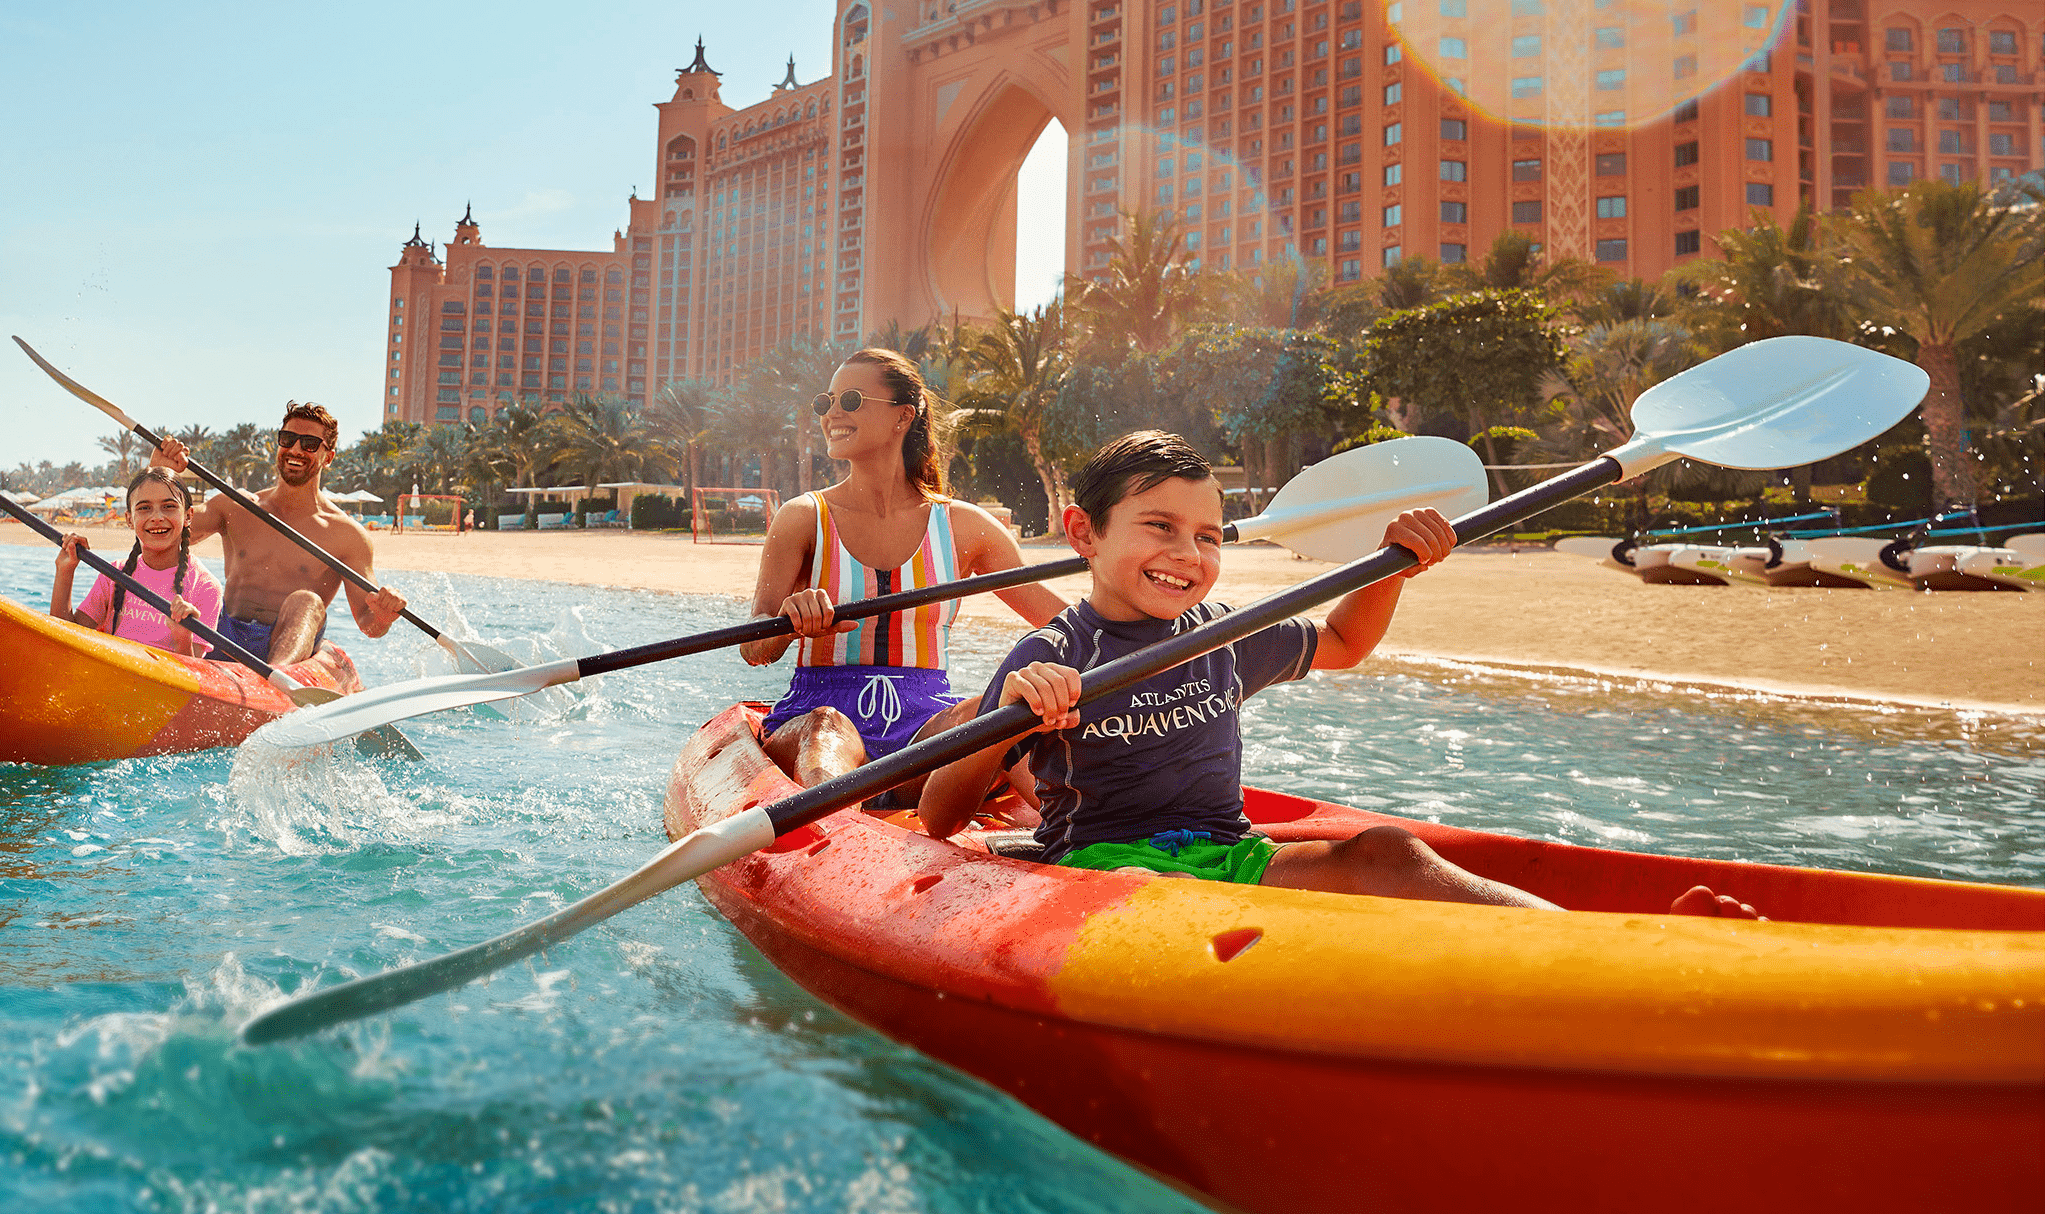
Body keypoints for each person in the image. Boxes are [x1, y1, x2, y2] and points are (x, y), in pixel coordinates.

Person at [916, 429, 1757, 917]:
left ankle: (1604, 944)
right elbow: (942, 817)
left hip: (1226, 855)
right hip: (1106, 870)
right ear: (1084, 533)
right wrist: (1014, 718)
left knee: (1389, 852)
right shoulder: (1050, 655)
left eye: (1207, 536)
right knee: (1149, 888)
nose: (1187, 555)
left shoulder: (1224, 634)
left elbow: (1347, 644)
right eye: (1158, 527)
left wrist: (1391, 568)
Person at [742, 346, 1070, 787]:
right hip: (817, 715)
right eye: (827, 402)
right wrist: (787, 623)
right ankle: (834, 833)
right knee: (827, 728)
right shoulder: (803, 518)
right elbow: (754, 648)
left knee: (993, 713)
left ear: (903, 417)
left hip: (924, 726)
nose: (832, 413)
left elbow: (1063, 623)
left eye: (851, 400)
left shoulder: (964, 526)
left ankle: (1076, 838)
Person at [145, 401, 408, 667]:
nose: (295, 449)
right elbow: (161, 532)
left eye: (309, 444)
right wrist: (157, 474)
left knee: (307, 601)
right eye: (288, 439)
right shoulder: (236, 505)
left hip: (286, 645)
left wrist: (384, 616)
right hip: (224, 630)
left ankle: (275, 679)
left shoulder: (346, 534)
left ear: (328, 457)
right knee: (193, 579)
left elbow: (368, 624)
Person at [50, 463, 222, 657]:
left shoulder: (205, 587)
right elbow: (63, 641)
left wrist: (183, 639)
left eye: (169, 506)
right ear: (129, 519)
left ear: (188, 516)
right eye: (145, 508)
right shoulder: (114, 574)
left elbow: (193, 676)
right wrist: (65, 572)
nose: (157, 517)